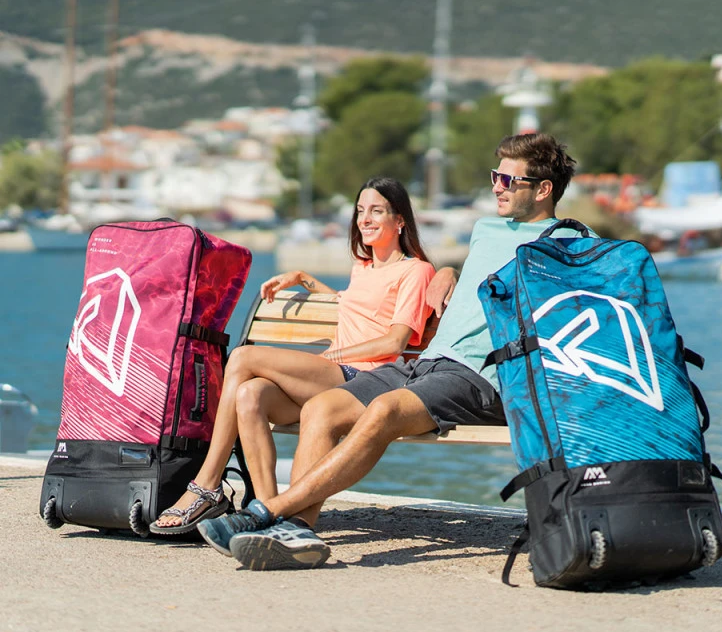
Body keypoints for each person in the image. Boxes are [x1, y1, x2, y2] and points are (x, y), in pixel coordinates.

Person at [197, 132, 582, 569]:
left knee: (384, 410)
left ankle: (268, 513)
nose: (497, 186)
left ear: (543, 189)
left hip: (481, 376)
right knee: (321, 408)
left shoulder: (567, 244)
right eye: (496, 176)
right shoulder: (486, 228)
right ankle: (298, 535)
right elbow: (477, 267)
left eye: (508, 180)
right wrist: (449, 271)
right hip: (428, 363)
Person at [151, 177, 436, 534]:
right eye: (360, 210)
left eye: (376, 211)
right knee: (250, 394)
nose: (365, 219)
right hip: (333, 378)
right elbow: (354, 308)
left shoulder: (416, 270)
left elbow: (394, 342)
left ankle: (207, 482)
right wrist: (302, 278)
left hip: (366, 381)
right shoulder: (363, 268)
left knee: (243, 358)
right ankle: (268, 514)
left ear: (400, 220)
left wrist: (333, 356)